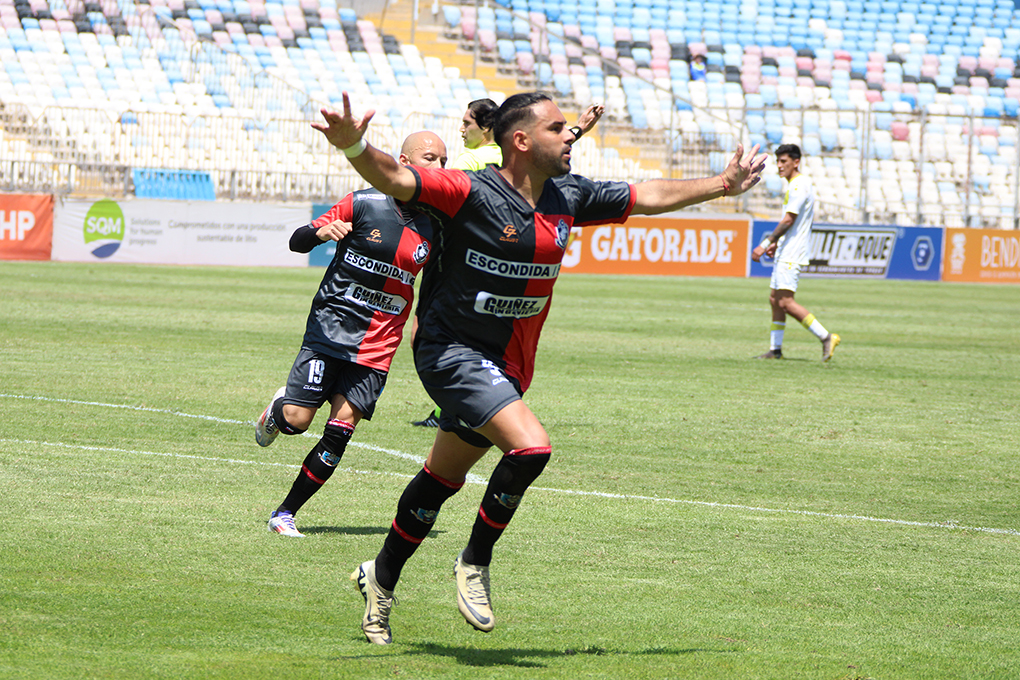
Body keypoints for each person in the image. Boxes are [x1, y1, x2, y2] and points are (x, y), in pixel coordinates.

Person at [312, 90, 766, 645]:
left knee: (442, 479)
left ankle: (379, 579)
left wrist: (722, 185)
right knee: (531, 448)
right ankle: (475, 561)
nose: (570, 134)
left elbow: (646, 195)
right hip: (450, 354)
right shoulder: (469, 192)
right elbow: (397, 179)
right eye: (557, 127)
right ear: (521, 140)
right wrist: (355, 144)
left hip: (506, 365)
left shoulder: (568, 196)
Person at [253, 131, 448, 538]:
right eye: (430, 158)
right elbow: (296, 241)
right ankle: (278, 412)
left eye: (444, 161)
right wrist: (321, 234)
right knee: (296, 421)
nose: (439, 167)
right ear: (405, 160)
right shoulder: (363, 203)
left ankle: (284, 513)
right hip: (330, 329)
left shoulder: (437, 225)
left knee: (341, 430)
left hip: (379, 344)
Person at [411, 98, 607, 428]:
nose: (462, 128)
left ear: (486, 127)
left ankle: (453, 405)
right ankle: (463, 405)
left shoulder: (469, 162)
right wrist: (578, 129)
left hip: (462, 254)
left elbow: (451, 202)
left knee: (430, 333)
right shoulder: (504, 157)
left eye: (468, 123)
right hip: (500, 258)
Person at [751, 143, 840, 361]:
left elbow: (789, 219)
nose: (779, 166)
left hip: (792, 253)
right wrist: (776, 244)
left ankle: (826, 336)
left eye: (784, 162)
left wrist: (765, 244)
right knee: (775, 299)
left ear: (796, 162)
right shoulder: (795, 184)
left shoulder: (799, 185)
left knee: (786, 302)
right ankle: (776, 349)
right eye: (778, 162)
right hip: (786, 249)